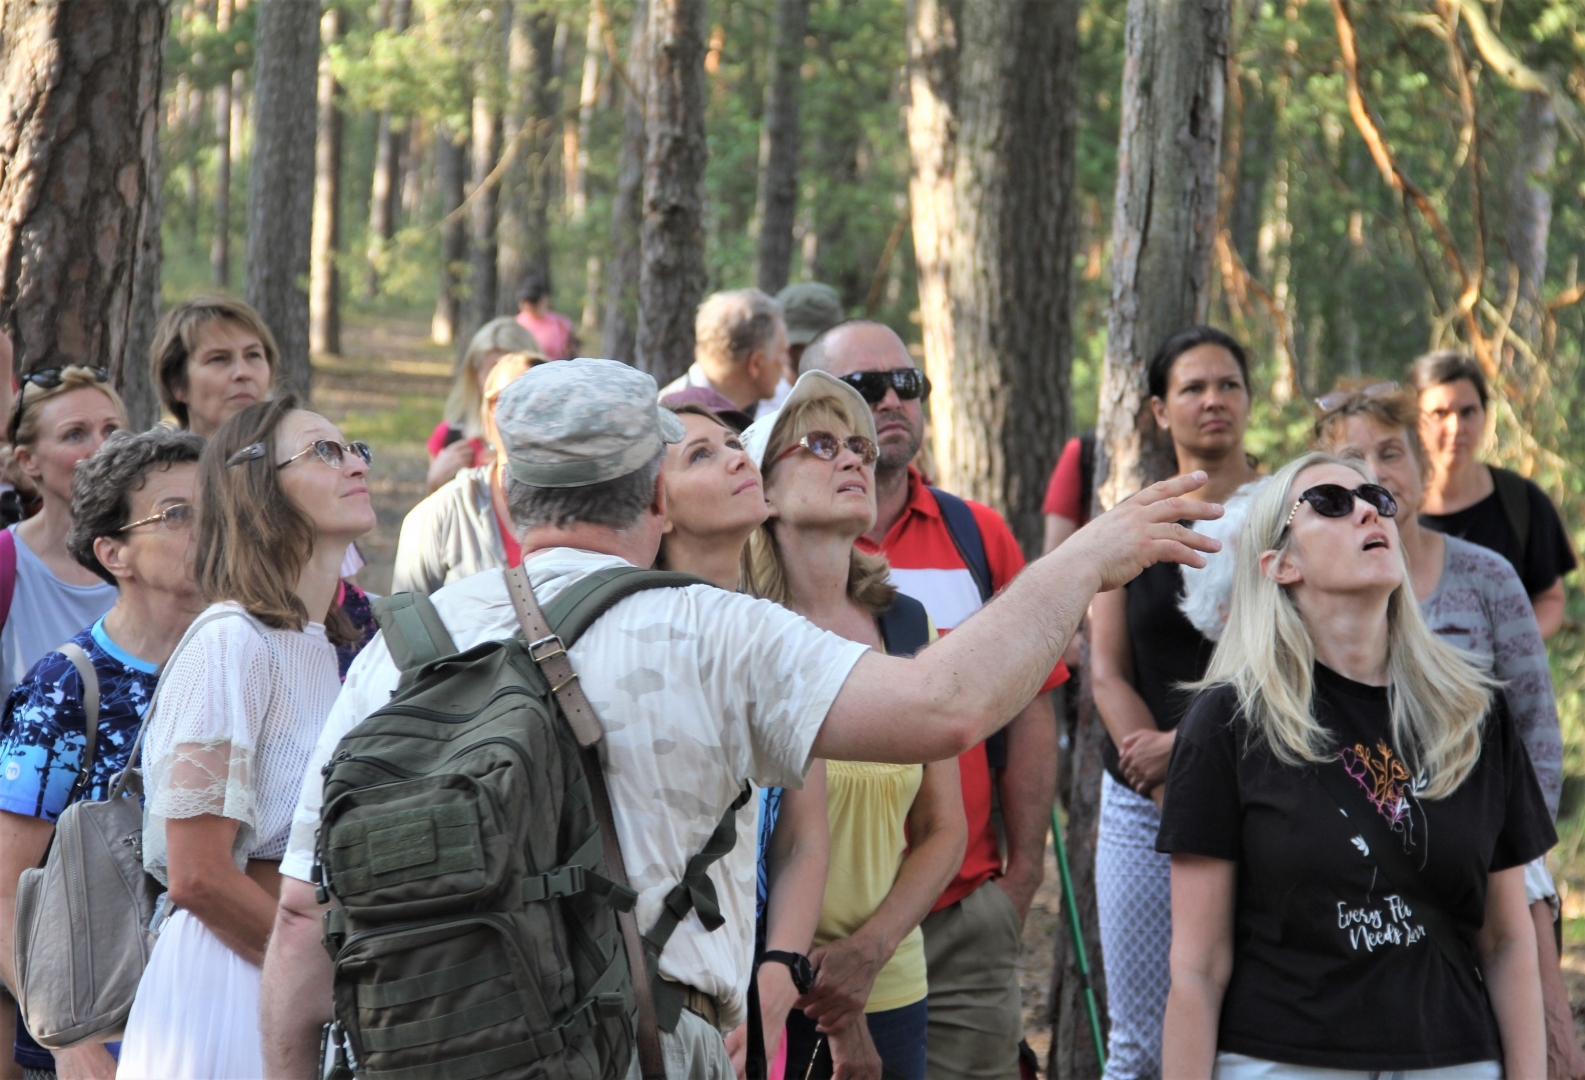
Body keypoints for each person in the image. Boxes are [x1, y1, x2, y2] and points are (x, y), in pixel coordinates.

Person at [257, 357, 1222, 1080]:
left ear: (510, 495)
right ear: (649, 490)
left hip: (419, 1046)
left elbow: (303, 919)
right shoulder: (712, 629)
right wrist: (1086, 558)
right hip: (640, 1046)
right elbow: (943, 706)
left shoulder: (404, 640)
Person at [1159, 452, 1552, 1078]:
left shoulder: (1473, 711)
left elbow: (1507, 942)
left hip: (1453, 1058)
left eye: (1374, 498)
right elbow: (1198, 968)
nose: (1370, 508)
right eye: (1331, 504)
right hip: (1283, 1061)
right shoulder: (1227, 724)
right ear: (1280, 564)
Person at [801, 320, 1063, 1079]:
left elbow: (1032, 708)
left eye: (905, 384)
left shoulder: (975, 534)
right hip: (818, 937)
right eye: (863, 387)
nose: (889, 401)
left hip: (960, 915)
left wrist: (1020, 878)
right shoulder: (781, 551)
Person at [1313, 384, 1582, 1079]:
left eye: (1389, 452)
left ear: (1422, 468)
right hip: (1364, 868)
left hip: (1492, 851)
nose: (1374, 473)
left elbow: (1535, 731)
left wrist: (1519, 856)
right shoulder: (1311, 591)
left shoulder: (1487, 576)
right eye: (1350, 461)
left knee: (1542, 1038)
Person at [116, 396, 376, 1079]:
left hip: (296, 971)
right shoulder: (232, 641)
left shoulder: (323, 645)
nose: (354, 463)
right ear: (259, 490)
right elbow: (198, 875)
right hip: (231, 981)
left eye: (355, 449)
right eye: (324, 450)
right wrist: (324, 981)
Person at [740, 372, 966, 1080]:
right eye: (819, 444)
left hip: (889, 978)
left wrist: (871, 950)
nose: (853, 460)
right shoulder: (733, 630)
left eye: (861, 449)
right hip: (760, 984)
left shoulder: (906, 624)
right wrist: (820, 992)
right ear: (764, 491)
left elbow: (943, 828)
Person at [0, 429, 205, 1080]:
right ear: (113, 551)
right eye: (178, 514)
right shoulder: (67, 687)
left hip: (215, 1025)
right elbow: (3, 886)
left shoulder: (247, 663)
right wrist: (68, 1040)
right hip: (105, 1038)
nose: (212, 531)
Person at [1086, 326, 1259, 1080]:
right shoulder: (1130, 525)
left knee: (1250, 1025)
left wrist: (1186, 752)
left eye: (1227, 384)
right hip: (1138, 800)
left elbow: (1296, 665)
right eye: (1192, 388)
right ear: (1158, 410)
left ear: (1249, 400)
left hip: (1263, 788)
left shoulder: (1293, 512)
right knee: (1139, 1043)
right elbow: (1107, 671)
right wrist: (1156, 774)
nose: (1212, 401)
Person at [654, 403, 830, 1078]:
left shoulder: (777, 635)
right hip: (660, 996)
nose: (736, 458)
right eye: (700, 454)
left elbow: (802, 834)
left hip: (760, 990)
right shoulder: (637, 642)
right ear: (655, 507)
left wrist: (780, 968)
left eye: (734, 445)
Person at [1411, 350, 1575, 638]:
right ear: (1414, 421)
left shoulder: (1521, 501)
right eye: (1440, 413)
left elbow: (1550, 598)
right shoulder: (1391, 507)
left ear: (1485, 416)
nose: (1455, 427)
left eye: (1467, 412)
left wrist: (1512, 648)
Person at [2, 367, 125, 700]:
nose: (102, 450)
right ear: (28, 460)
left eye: (112, 431)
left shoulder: (157, 559)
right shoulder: (5, 565)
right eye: (75, 434)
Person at [392, 352, 549, 595]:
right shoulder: (440, 514)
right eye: (504, 399)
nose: (521, 412)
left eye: (537, 398)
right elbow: (403, 623)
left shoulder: (592, 512)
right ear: (486, 418)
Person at [426, 317, 543, 493]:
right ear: (475, 376)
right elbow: (436, 516)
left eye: (511, 373)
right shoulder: (450, 437)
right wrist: (435, 482)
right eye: (492, 371)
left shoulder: (550, 440)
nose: (502, 386)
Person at [149, 296, 278, 439]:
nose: (243, 372)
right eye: (218, 358)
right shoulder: (159, 461)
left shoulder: (300, 455)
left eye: (253, 355)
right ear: (177, 385)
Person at [661, 288, 790, 419]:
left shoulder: (782, 409)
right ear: (755, 363)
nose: (786, 362)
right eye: (782, 354)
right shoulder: (665, 419)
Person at [774, 282, 845, 407]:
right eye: (792, 346)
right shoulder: (755, 402)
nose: (790, 354)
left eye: (805, 346)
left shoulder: (856, 399)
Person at [514, 274, 578, 361]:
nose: (529, 305)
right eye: (526, 300)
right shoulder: (516, 324)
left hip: (553, 370)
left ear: (544, 300)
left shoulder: (560, 324)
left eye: (533, 301)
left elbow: (571, 354)